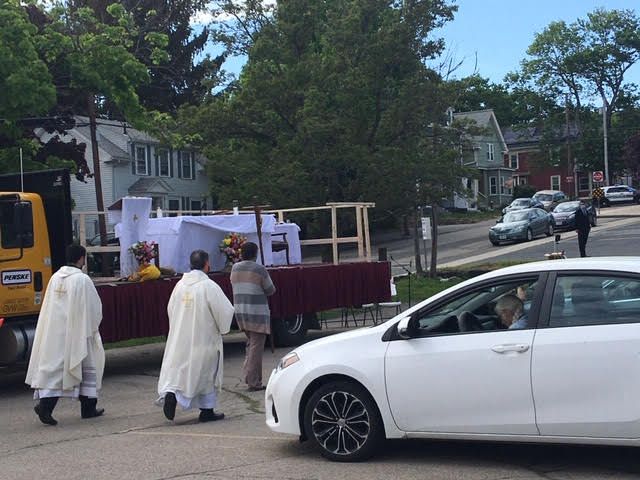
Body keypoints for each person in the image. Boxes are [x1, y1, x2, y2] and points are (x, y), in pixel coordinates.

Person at [25, 244, 105, 426]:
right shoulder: (82, 280)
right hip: (78, 333)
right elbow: (94, 306)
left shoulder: (55, 277)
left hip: (55, 332)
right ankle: (52, 407)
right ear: (81, 258)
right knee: (85, 365)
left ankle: (80, 407)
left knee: (56, 370)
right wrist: (92, 327)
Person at [157, 250, 234, 422]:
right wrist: (223, 327)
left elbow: (170, 309)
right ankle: (207, 410)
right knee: (205, 373)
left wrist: (180, 325)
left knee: (182, 369)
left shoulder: (180, 285)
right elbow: (224, 310)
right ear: (207, 264)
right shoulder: (209, 286)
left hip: (181, 337)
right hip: (203, 337)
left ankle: (173, 393)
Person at [230, 242, 276, 392]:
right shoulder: (259, 269)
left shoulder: (235, 268)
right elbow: (270, 289)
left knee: (251, 345)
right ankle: (254, 381)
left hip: (241, 311)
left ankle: (248, 376)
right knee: (256, 348)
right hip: (256, 312)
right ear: (255, 254)